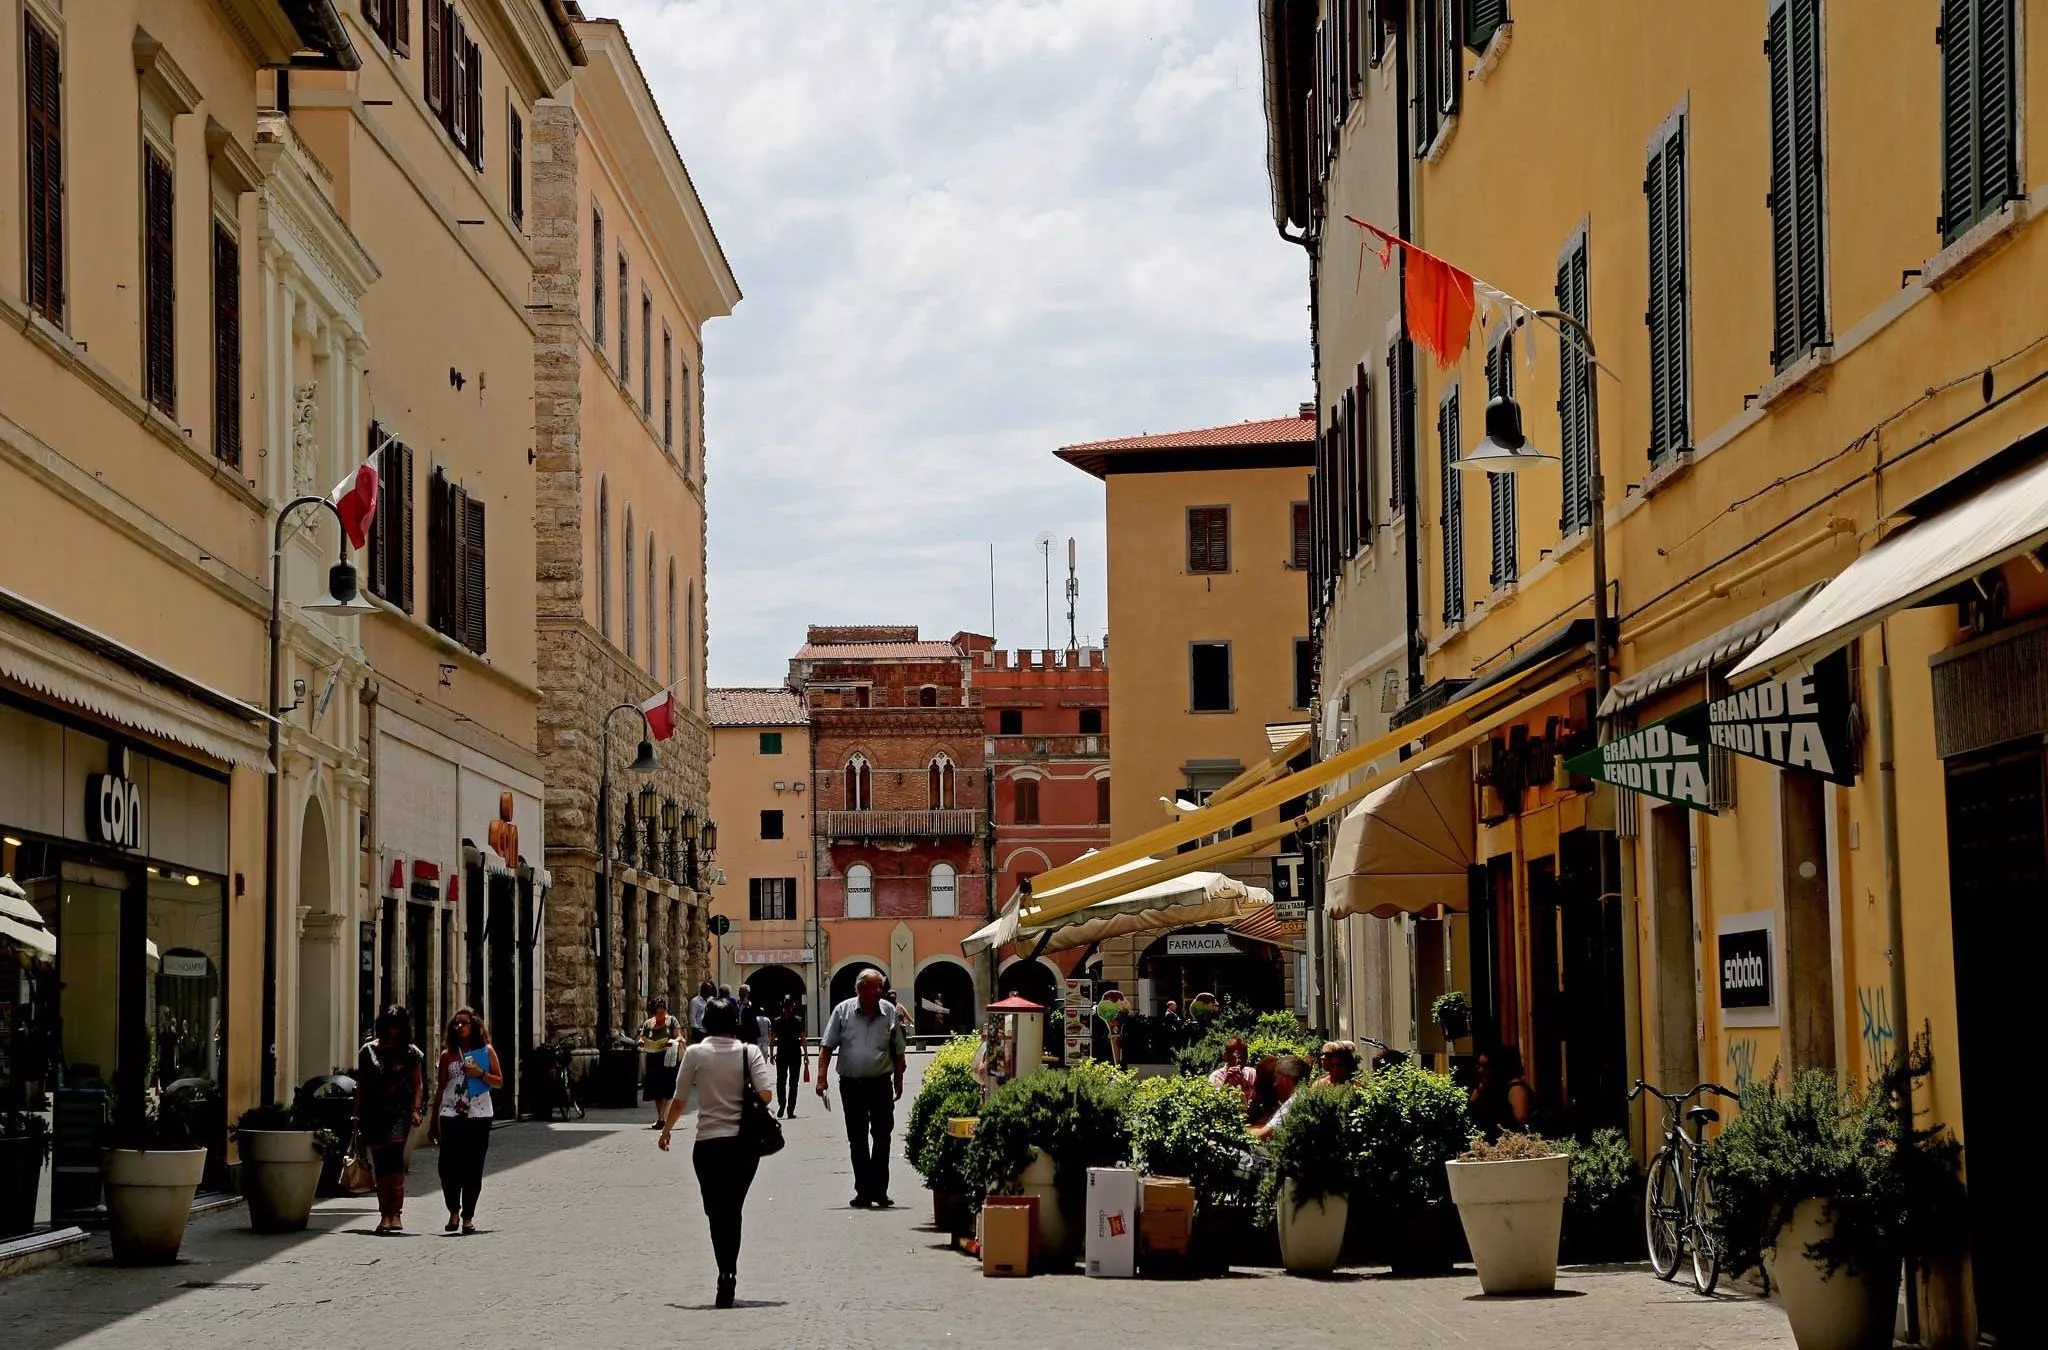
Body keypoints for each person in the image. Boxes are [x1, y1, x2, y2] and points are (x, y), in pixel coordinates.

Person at [659, 997, 774, 1309]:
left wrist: (667, 1130)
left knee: (715, 1212)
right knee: (733, 1209)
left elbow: (680, 1099)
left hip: (708, 1144)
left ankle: (724, 1270)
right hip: (743, 1145)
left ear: (706, 1022)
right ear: (735, 1022)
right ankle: (729, 1272)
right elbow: (766, 1093)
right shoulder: (749, 1052)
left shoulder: (696, 1053)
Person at [817, 969, 907, 1208]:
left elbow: (899, 1051)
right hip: (852, 1085)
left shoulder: (889, 1012)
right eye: (876, 987)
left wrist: (898, 1080)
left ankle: (880, 1190)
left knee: (882, 1136)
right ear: (860, 989)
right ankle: (863, 1191)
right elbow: (826, 1046)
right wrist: (821, 1078)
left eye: (882, 987)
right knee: (857, 1138)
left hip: (880, 1084)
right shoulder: (842, 1011)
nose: (881, 992)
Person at [429, 1007, 502, 1234]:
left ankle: (467, 1217)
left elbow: (499, 1081)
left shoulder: (486, 1051)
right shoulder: (447, 1055)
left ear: (474, 1026)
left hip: (479, 1116)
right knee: (447, 1167)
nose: (459, 1026)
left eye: (464, 1023)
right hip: (451, 1115)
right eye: (456, 1023)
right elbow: (441, 1089)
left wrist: (480, 1073)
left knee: (473, 1166)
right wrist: (433, 1120)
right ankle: (453, 1211)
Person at [352, 1005, 424, 1234]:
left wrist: (416, 1109)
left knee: (394, 1159)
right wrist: (357, 1113)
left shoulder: (410, 1052)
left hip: (399, 1112)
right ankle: (384, 1213)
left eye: (398, 1026)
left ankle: (397, 1213)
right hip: (373, 1112)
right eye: (390, 1025)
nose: (393, 1030)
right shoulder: (368, 1051)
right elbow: (361, 1085)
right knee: (380, 1163)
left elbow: (418, 1084)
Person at [1470, 1043, 1535, 1139]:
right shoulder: (1487, 1088)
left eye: (1485, 1066)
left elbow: (1520, 1124)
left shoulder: (1515, 1088)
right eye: (1479, 1066)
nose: (1480, 1070)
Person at [637, 997, 682, 1130]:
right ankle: (661, 1117)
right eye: (658, 1012)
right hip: (653, 1057)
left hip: (667, 1058)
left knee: (667, 1088)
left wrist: (673, 1041)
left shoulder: (672, 1021)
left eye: (662, 1012)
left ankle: (664, 1116)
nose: (660, 1015)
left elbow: (679, 1036)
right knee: (656, 1089)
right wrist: (641, 1042)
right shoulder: (648, 1023)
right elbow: (642, 1038)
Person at [1250, 1055, 1309, 1141]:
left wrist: (1235, 1130)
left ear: (1285, 1079)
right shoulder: (1298, 1097)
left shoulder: (1295, 1101)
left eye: (1276, 1078)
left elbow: (1263, 1134)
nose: (1275, 1084)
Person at [771, 997, 806, 1117]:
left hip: (781, 1053)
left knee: (781, 1081)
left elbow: (772, 1038)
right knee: (793, 1082)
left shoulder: (777, 1021)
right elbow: (803, 1039)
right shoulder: (798, 1020)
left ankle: (782, 1104)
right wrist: (806, 1055)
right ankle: (790, 1109)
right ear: (792, 1006)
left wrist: (771, 1054)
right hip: (795, 1054)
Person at [1207, 1035, 1256, 1108]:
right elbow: (1215, 1104)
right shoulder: (1216, 1077)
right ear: (1225, 1056)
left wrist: (1245, 1084)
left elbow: (1259, 1098)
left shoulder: (1252, 1073)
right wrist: (1227, 1083)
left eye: (1243, 1056)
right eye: (1235, 1056)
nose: (1239, 1060)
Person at [1094, 988, 1127, 1066]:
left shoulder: (1121, 1020)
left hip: (1109, 1057)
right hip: (1105, 1057)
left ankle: (1117, 1065)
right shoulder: (1105, 1018)